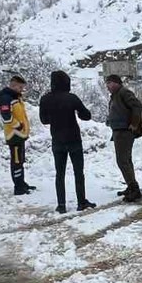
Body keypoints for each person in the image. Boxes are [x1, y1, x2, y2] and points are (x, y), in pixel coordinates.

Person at [39, 70, 96, 214]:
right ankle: (81, 202)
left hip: (57, 139)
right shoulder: (71, 98)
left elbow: (44, 120)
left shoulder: (45, 99)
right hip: (74, 139)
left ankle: (61, 205)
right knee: (78, 172)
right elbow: (86, 116)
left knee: (60, 173)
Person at [104, 74, 142, 202]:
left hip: (124, 132)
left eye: (109, 83)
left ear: (116, 83)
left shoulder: (124, 92)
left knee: (122, 161)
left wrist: (134, 123)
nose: (107, 86)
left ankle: (134, 189)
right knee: (126, 160)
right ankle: (131, 186)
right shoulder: (116, 95)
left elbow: (137, 106)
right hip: (118, 131)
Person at [0, 75, 36, 195]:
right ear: (13, 85)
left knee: (20, 160)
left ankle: (21, 182)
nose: (22, 90)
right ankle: (18, 187)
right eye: (20, 87)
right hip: (14, 135)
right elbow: (6, 116)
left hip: (20, 135)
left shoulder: (15, 97)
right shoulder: (6, 98)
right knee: (16, 161)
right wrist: (17, 125)